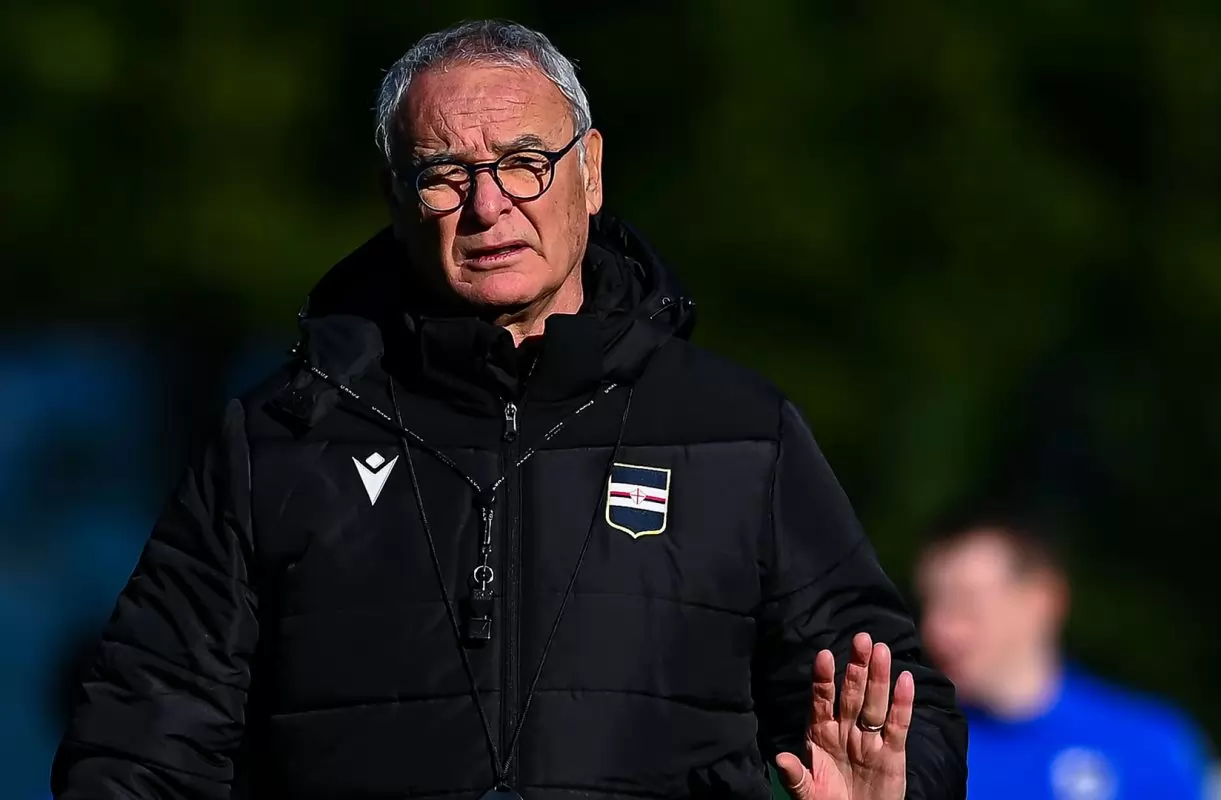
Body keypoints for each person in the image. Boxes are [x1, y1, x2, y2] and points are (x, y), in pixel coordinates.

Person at [51, 20, 966, 800]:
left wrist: (897, 787)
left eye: (526, 164)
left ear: (590, 173)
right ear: (394, 197)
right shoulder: (280, 441)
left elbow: (892, 709)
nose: (488, 206)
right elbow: (138, 742)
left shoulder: (739, 431)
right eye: (444, 174)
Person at [914, 512, 1208, 799]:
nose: (937, 630)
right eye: (929, 605)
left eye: (964, 605)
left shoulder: (1145, 749)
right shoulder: (910, 750)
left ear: (1042, 600)